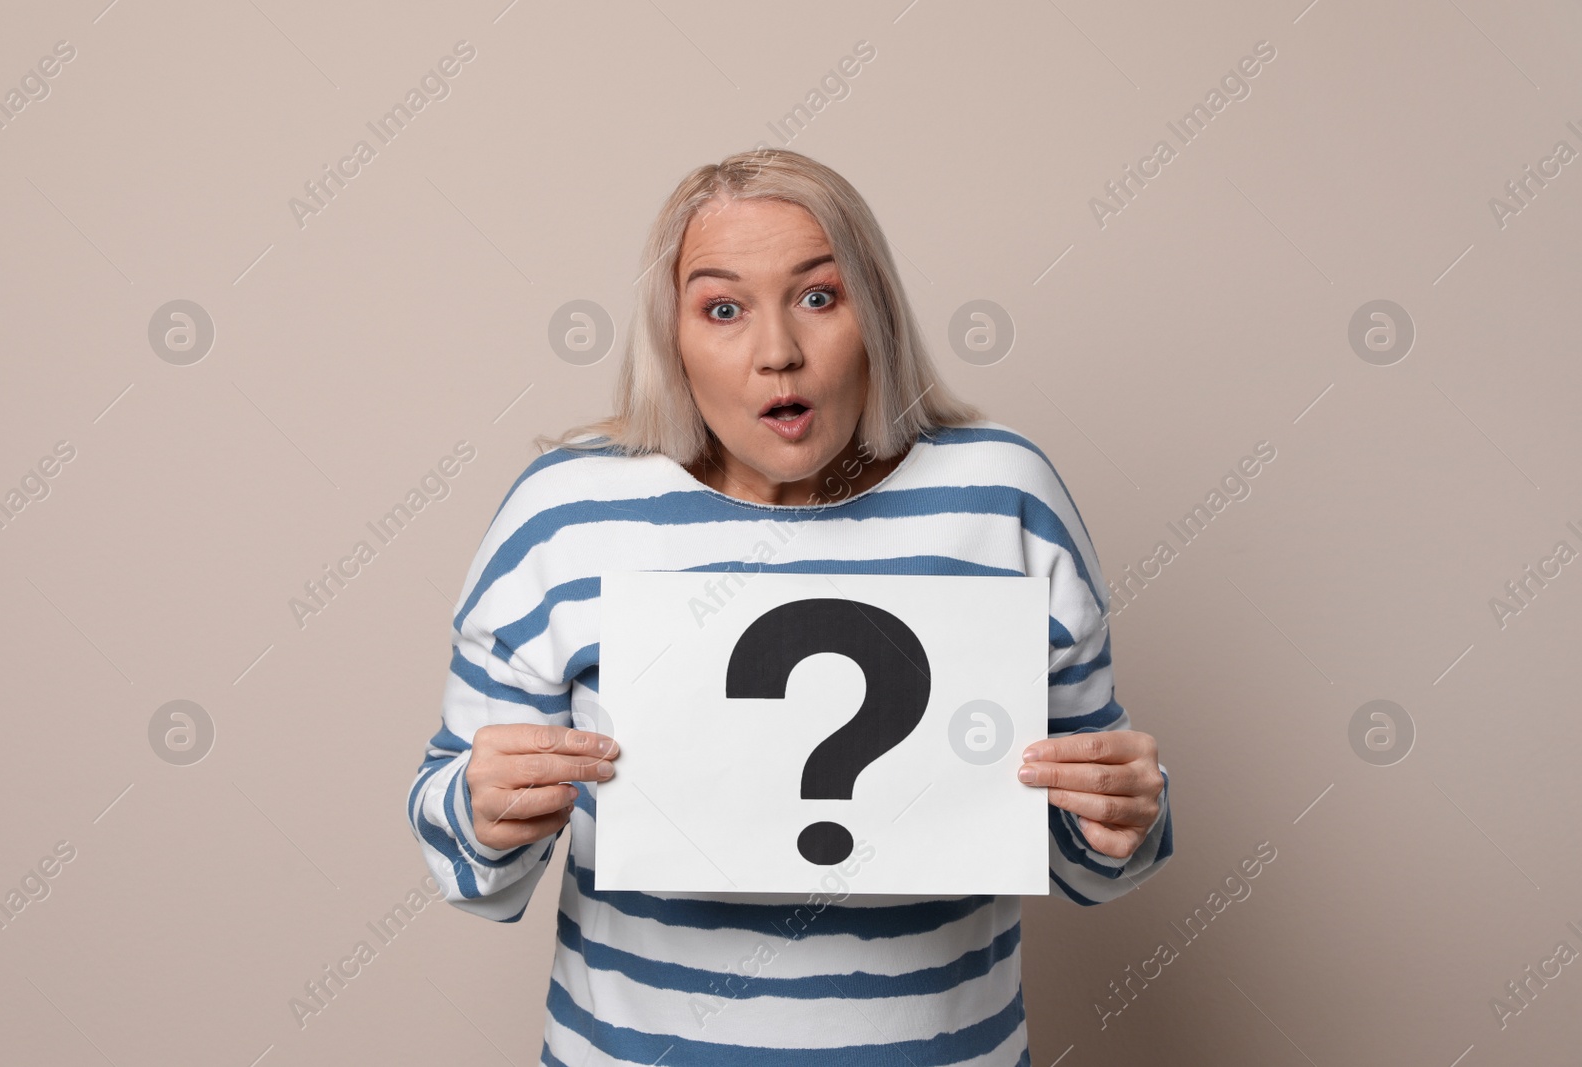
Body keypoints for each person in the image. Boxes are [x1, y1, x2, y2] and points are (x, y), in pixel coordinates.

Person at [407, 148, 1174, 1065]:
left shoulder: (1003, 495)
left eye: (818, 296)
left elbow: (1085, 850)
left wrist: (1124, 816)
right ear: (671, 336)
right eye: (722, 308)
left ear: (875, 316)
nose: (778, 351)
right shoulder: (564, 514)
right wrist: (482, 809)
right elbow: (467, 862)